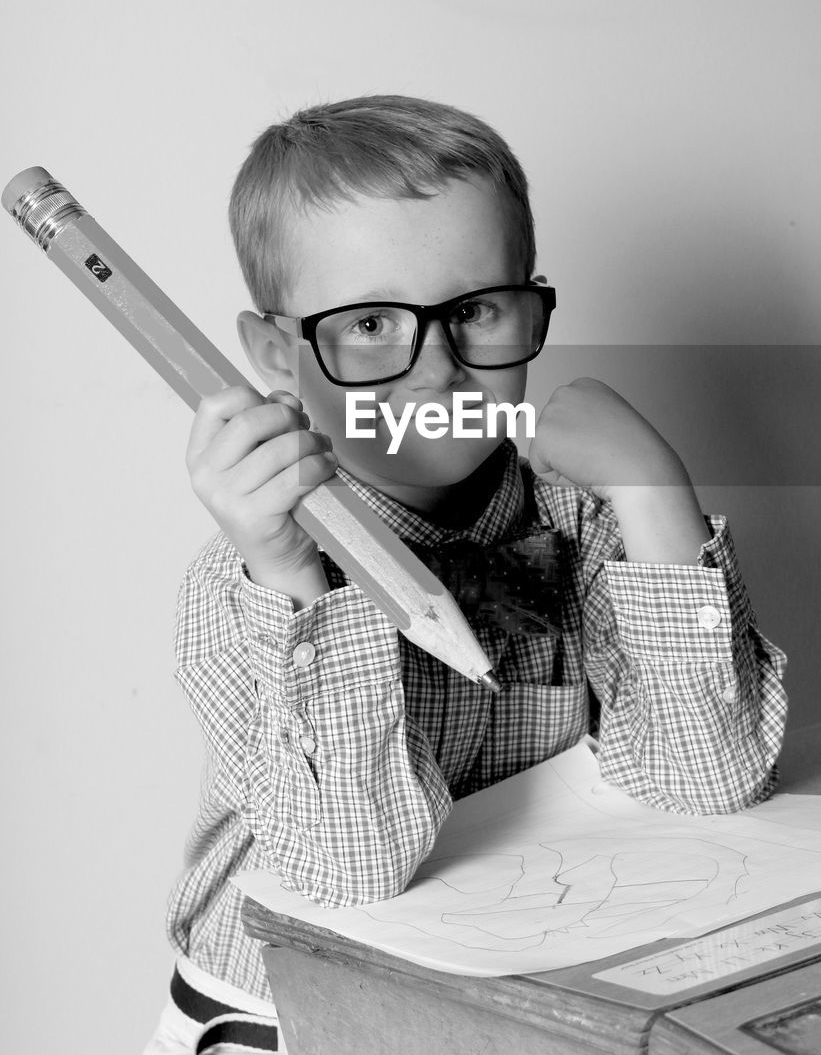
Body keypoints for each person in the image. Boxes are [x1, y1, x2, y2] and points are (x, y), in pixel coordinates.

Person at [145, 95, 787, 1052]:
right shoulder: (253, 583)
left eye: (476, 310)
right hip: (283, 1015)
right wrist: (294, 575)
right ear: (279, 353)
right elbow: (348, 868)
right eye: (368, 322)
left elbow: (706, 780)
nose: (436, 370)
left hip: (510, 996)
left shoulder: (581, 528)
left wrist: (655, 495)